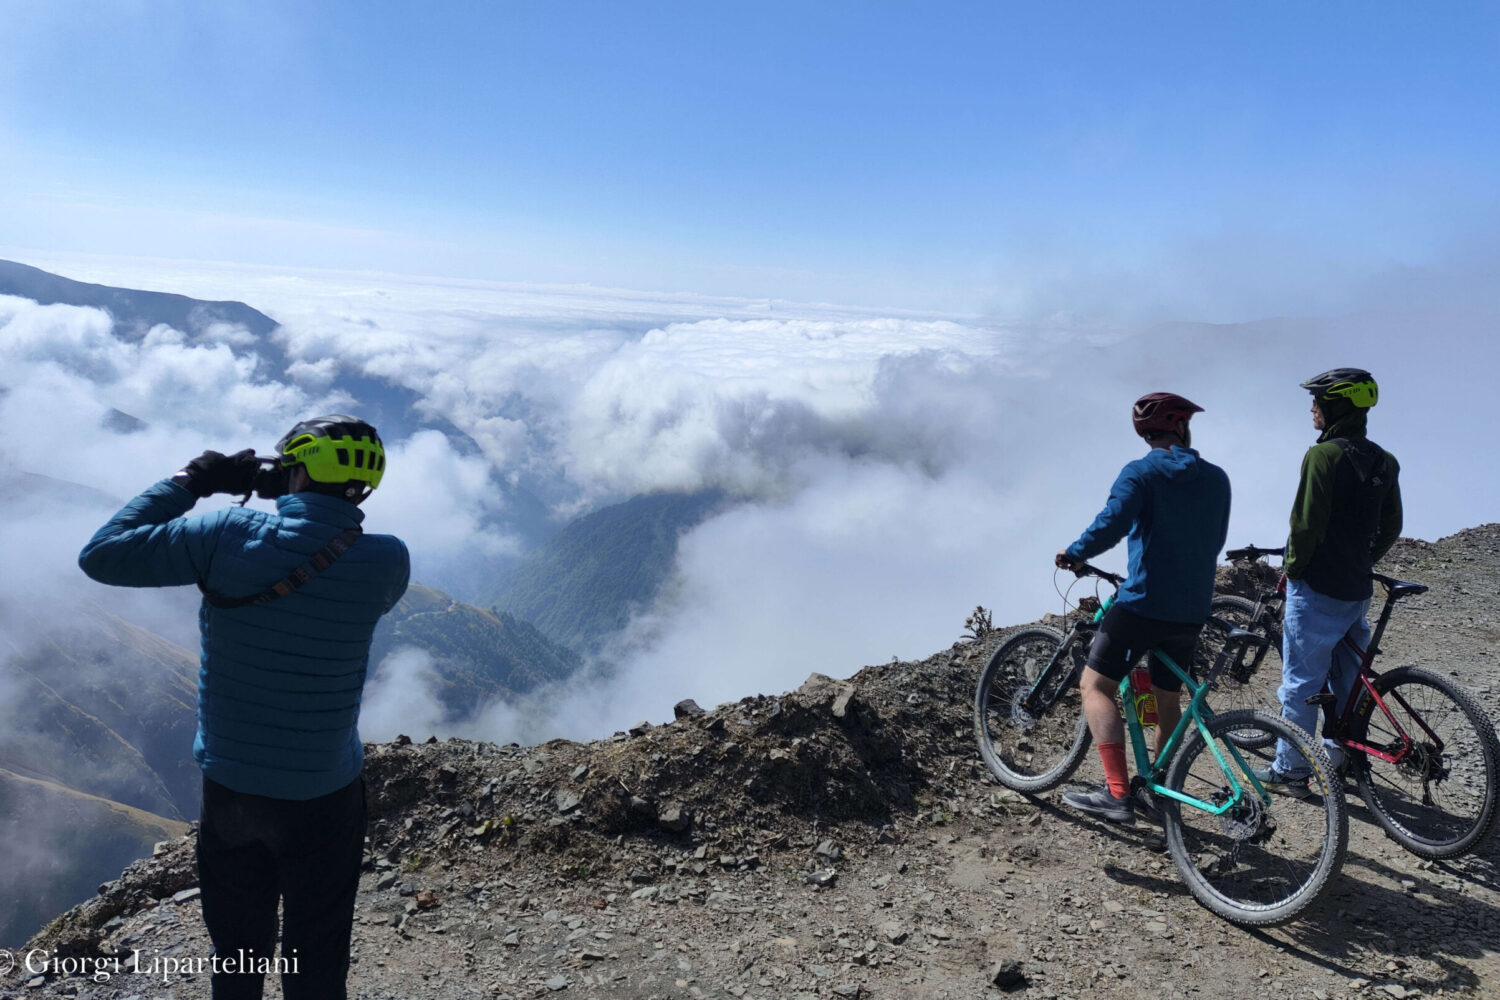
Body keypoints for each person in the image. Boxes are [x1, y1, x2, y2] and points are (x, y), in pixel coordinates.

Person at [79, 415, 409, 1000]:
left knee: (236, 952)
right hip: (325, 790)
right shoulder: (387, 561)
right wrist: (299, 494)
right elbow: (319, 550)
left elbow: (102, 555)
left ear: (299, 466)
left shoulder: (225, 535)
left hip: (232, 788)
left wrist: (193, 480)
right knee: (319, 951)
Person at [1054, 393, 1231, 823]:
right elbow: (1215, 541)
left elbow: (1112, 524)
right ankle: (1161, 792)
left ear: (1144, 432)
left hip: (1143, 605)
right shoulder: (1217, 478)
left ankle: (1117, 795)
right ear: (1183, 428)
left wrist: (1076, 553)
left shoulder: (1140, 473)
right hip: (1192, 609)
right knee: (1167, 699)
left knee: (1096, 686)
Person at [1255, 368, 1402, 795]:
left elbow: (1304, 525)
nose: (1312, 406)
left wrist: (1293, 569)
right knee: (1348, 677)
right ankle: (1340, 757)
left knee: (1301, 682)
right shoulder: (1385, 460)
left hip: (1318, 586)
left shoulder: (1322, 456)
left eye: (1318, 399)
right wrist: (1363, 559)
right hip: (1357, 587)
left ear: (1339, 405)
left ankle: (1291, 771)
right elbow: (1392, 524)